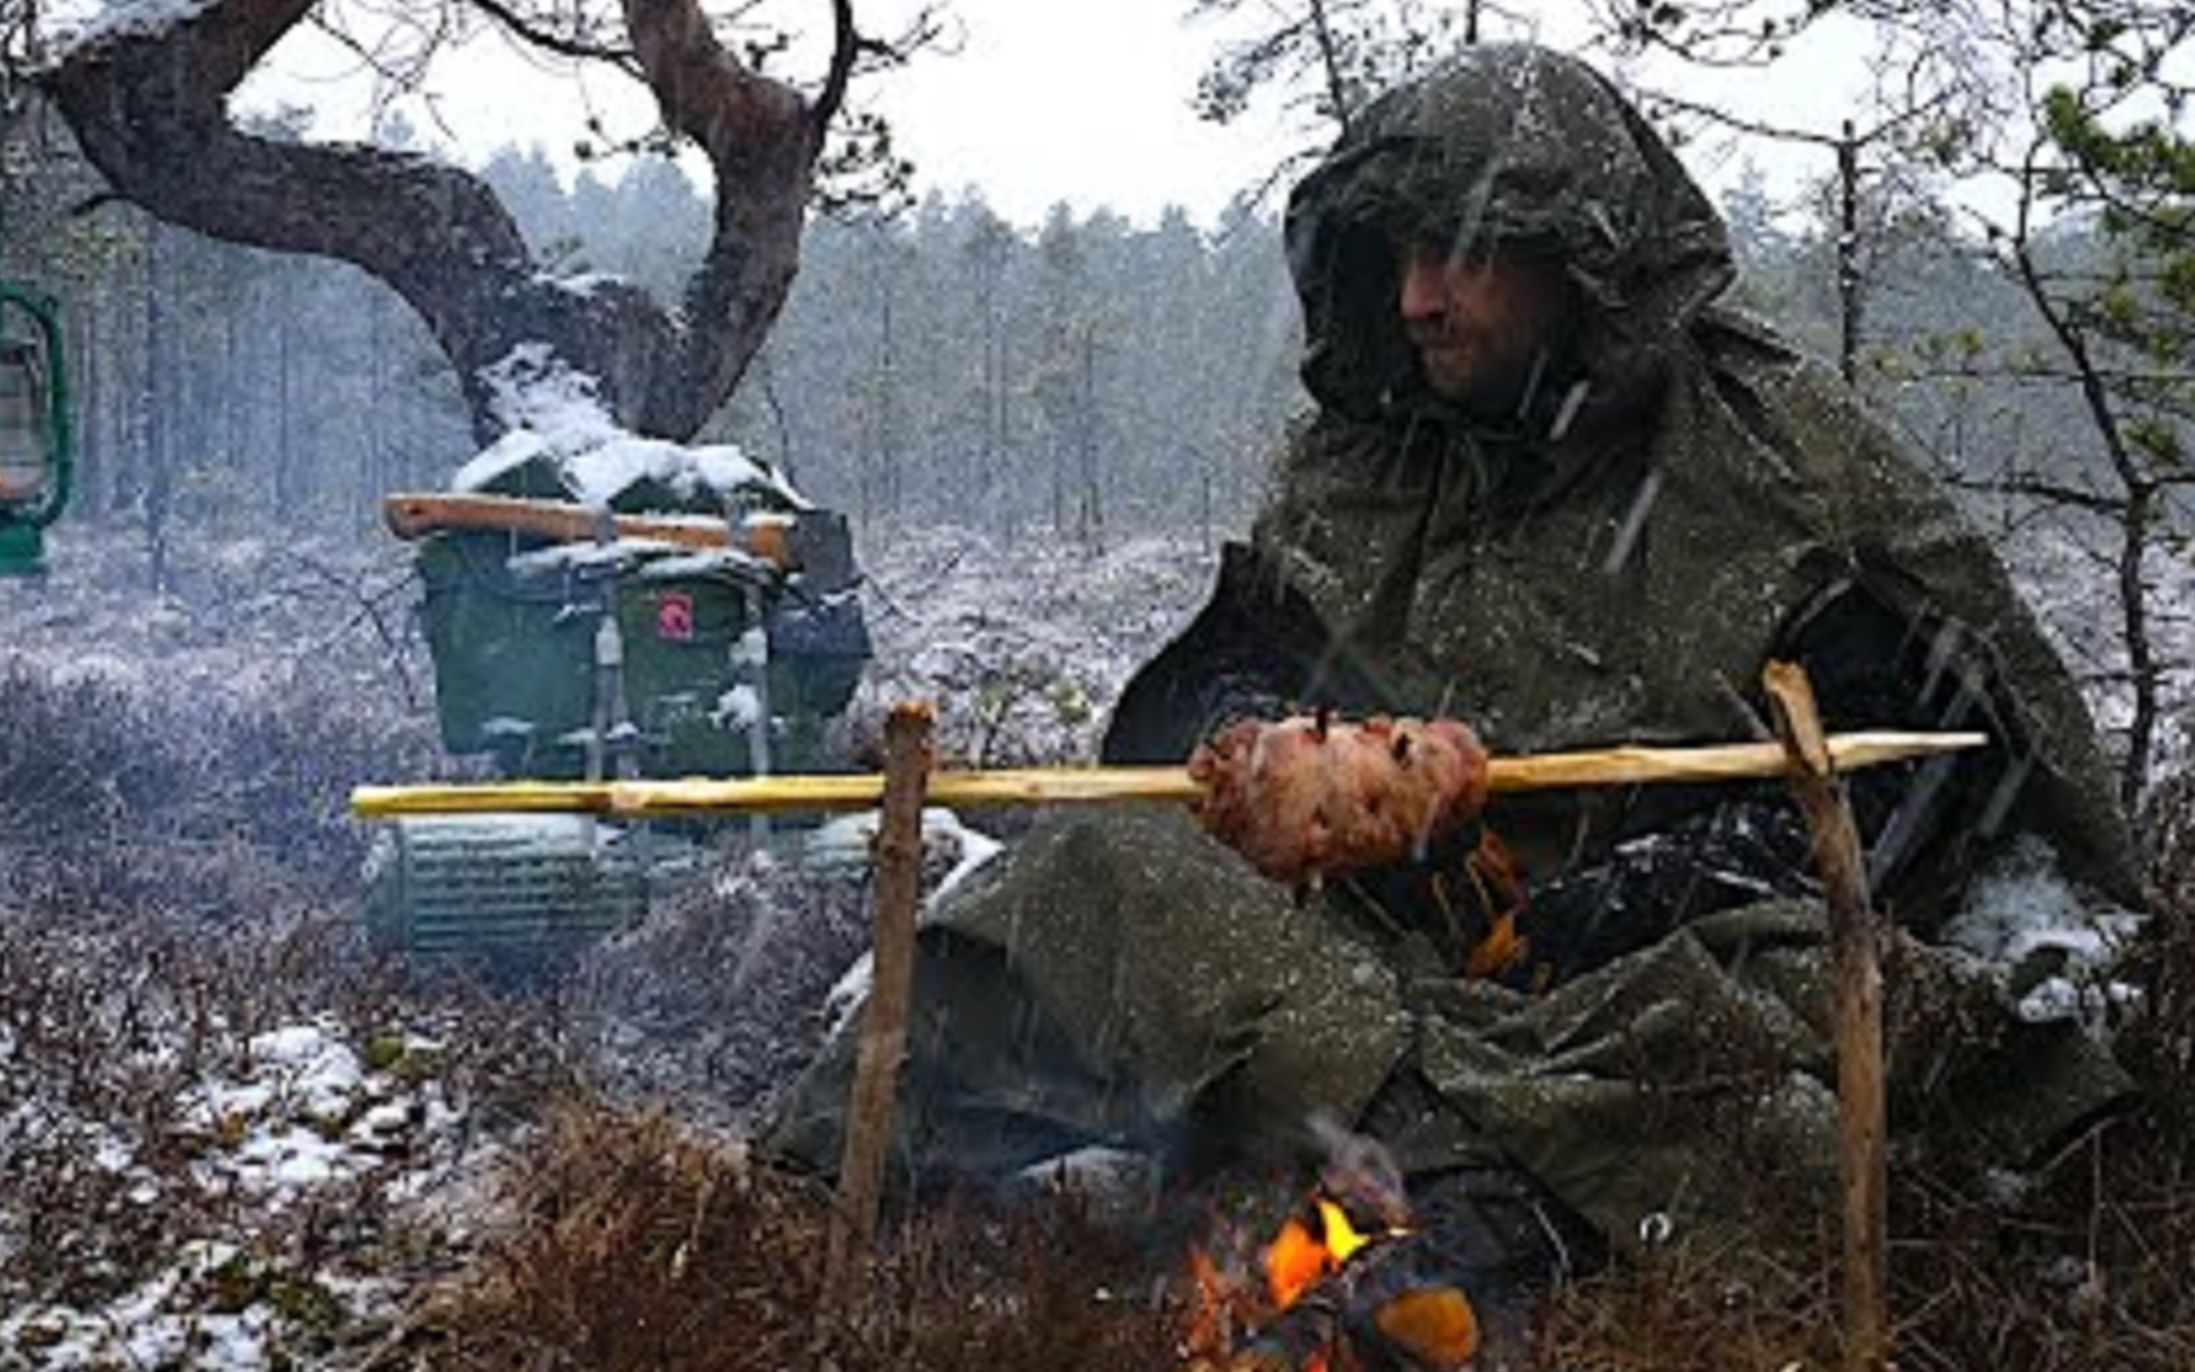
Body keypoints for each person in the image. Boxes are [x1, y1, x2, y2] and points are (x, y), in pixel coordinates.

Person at [769, 42, 2141, 1313]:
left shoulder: (1777, 463)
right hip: (1388, 952)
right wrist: (1267, 752)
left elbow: (1907, 781)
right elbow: (1237, 662)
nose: (1420, 295)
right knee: (1095, 873)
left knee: (1729, 1047)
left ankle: (1419, 1226)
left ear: (1582, 266)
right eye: (1403, 253)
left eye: (1469, 254)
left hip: (1654, 971)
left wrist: (1594, 913)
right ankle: (802, 1222)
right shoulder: (1375, 456)